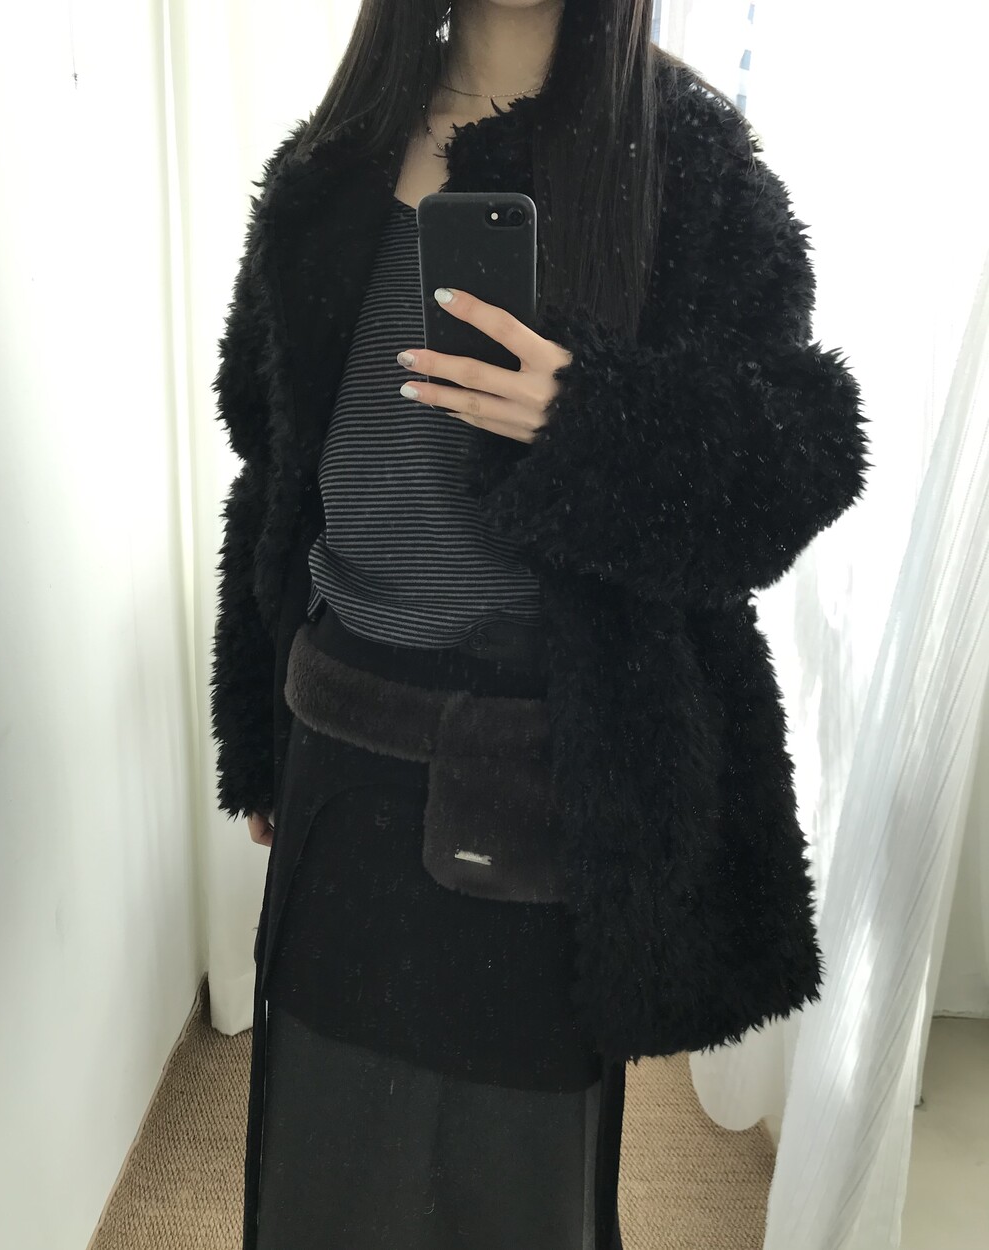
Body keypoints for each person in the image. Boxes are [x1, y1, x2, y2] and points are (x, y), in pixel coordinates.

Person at [209, 1, 870, 1248]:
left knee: (513, 1184)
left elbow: (803, 449)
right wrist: (256, 730)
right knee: (327, 1164)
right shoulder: (330, 161)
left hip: (551, 765)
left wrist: (591, 416)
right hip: (342, 740)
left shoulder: (688, 161)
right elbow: (273, 467)